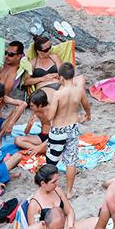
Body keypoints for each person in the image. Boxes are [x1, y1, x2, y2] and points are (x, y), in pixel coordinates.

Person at [45, 64, 90, 195]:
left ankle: (49, 189)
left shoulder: (58, 94)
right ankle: (69, 191)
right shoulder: (79, 90)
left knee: (52, 160)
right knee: (71, 161)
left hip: (58, 130)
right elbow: (86, 105)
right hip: (72, 128)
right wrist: (88, 115)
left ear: (61, 78)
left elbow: (50, 116)